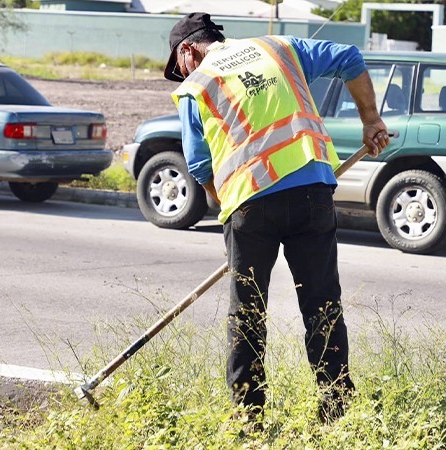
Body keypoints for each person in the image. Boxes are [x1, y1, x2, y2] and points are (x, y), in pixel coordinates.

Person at [164, 12, 390, 423]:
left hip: (250, 206)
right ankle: (336, 411)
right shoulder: (278, 47)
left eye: (178, 67)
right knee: (322, 305)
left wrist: (228, 216)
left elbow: (199, 165)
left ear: (188, 51)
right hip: (312, 192)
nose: (181, 74)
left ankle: (248, 420)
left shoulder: (197, 86)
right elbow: (350, 58)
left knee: (247, 314)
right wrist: (371, 120)